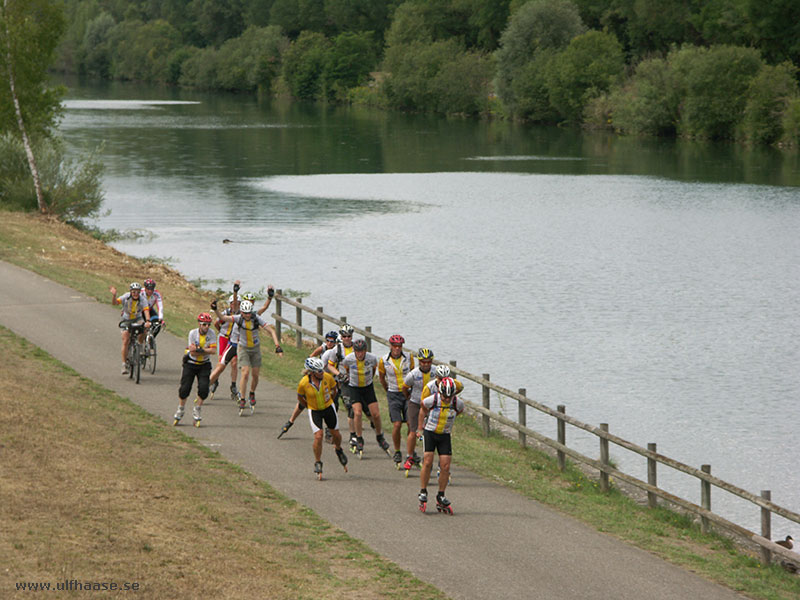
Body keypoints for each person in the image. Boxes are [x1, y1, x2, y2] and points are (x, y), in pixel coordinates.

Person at [212, 298, 280, 415]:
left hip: (255, 349)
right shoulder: (238, 318)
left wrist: (277, 346)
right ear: (242, 312)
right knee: (245, 372)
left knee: (255, 374)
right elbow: (223, 318)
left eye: (249, 313)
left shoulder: (256, 318)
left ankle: (252, 393)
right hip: (242, 348)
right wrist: (215, 310)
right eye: (245, 313)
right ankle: (242, 398)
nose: (247, 315)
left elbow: (271, 331)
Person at [278, 330, 339, 439]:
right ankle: (290, 421)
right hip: (317, 378)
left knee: (334, 403)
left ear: (336, 342)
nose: (329, 343)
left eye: (332, 341)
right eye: (327, 340)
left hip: (329, 380)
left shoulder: (337, 351)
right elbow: (310, 357)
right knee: (302, 403)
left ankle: (330, 428)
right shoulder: (323, 348)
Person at [417, 377, 465, 514]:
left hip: (444, 435)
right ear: (440, 392)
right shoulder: (432, 400)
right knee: (427, 461)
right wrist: (420, 428)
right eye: (445, 396)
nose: (447, 399)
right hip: (430, 432)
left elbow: (460, 411)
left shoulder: (457, 403)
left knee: (445, 466)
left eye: (449, 397)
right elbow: (422, 408)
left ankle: (441, 495)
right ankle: (423, 491)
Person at [334, 338, 389, 456]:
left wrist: (368, 380)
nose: (360, 354)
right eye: (357, 351)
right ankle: (359, 438)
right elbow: (346, 371)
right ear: (354, 351)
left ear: (365, 351)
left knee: (376, 414)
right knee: (357, 413)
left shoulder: (372, 358)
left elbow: (374, 370)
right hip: (354, 388)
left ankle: (380, 436)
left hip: (367, 387)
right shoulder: (348, 360)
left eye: (362, 351)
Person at [296, 357, 349, 479]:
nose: (322, 372)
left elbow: (334, 390)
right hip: (315, 411)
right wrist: (309, 404)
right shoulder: (304, 383)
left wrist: (329, 400)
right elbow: (300, 397)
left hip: (328, 408)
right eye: (319, 371)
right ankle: (318, 462)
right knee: (318, 436)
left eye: (322, 370)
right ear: (312, 372)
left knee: (336, 434)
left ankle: (339, 449)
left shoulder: (327, 377)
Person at [173, 313, 217, 427]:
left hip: (204, 364)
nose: (206, 327)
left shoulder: (212, 334)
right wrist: (204, 350)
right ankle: (181, 409)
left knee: (203, 389)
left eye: (208, 325)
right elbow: (192, 352)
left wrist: (200, 349)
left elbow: (213, 351)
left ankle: (197, 409)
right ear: (199, 324)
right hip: (191, 364)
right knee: (184, 389)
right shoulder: (193, 333)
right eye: (204, 324)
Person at [378, 334, 415, 468]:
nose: (397, 349)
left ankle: (411, 452)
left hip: (407, 394)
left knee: (411, 424)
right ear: (390, 346)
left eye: (399, 346)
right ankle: (398, 451)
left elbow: (413, 374)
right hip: (393, 393)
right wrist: (387, 389)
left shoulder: (409, 358)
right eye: (394, 346)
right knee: (397, 424)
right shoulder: (383, 360)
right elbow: (381, 378)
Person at [401, 347, 436, 472]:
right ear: (419, 361)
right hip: (415, 403)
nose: (426, 364)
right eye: (423, 361)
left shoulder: (435, 372)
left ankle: (428, 458)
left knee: (430, 432)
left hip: (431, 404)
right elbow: (405, 388)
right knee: (413, 430)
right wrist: (409, 397)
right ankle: (409, 456)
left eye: (428, 361)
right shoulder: (413, 374)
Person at [110, 282, 151, 374]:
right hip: (126, 319)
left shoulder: (143, 299)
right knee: (125, 340)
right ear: (130, 292)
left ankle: (139, 345)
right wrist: (114, 296)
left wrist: (148, 321)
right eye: (133, 292)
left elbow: (146, 311)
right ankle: (124, 364)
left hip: (138, 318)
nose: (135, 294)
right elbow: (115, 303)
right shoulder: (126, 296)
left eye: (137, 292)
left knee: (144, 329)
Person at [209, 285, 241, 400]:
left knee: (234, 362)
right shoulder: (226, 312)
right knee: (221, 362)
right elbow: (217, 323)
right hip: (223, 337)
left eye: (237, 303)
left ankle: (233, 385)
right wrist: (221, 332)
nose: (235, 305)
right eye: (233, 303)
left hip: (233, 340)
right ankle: (215, 381)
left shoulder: (239, 314)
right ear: (230, 304)